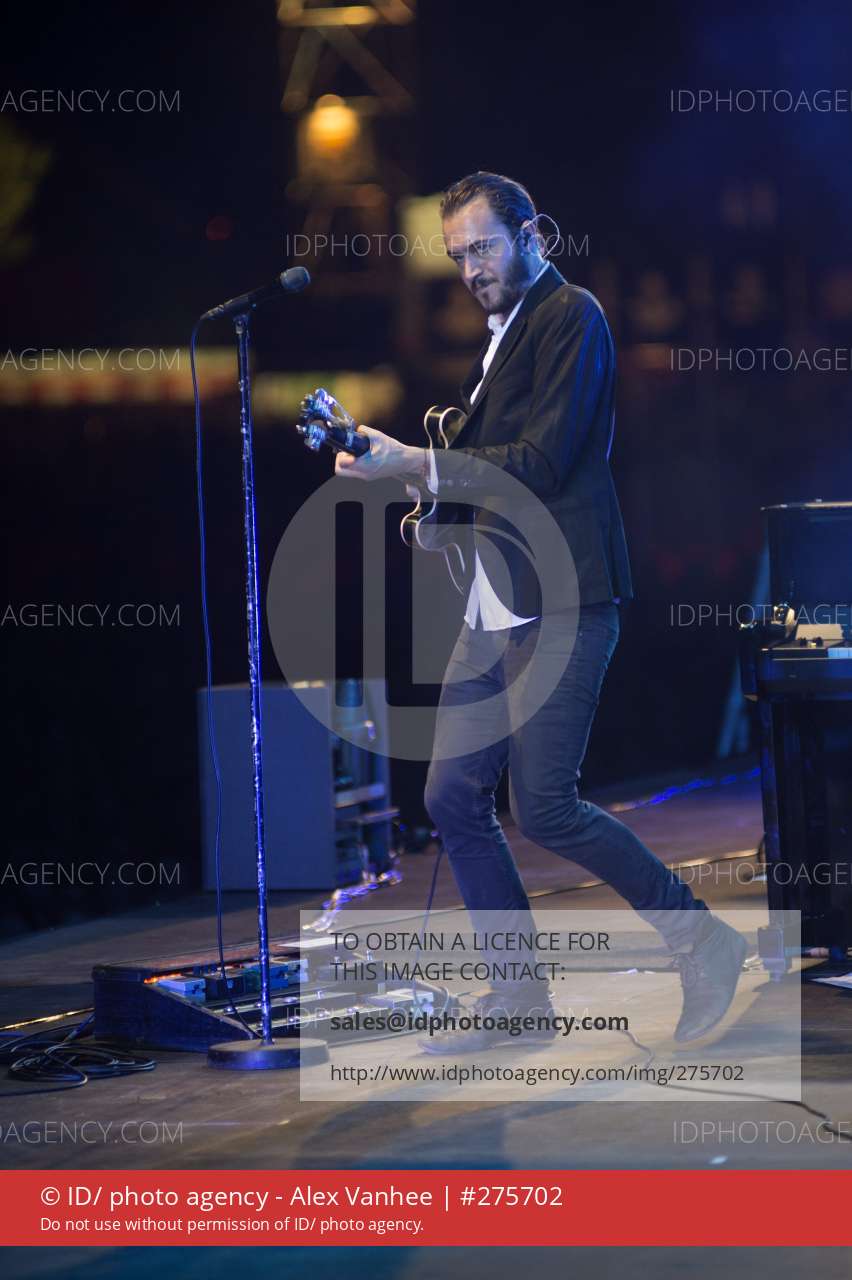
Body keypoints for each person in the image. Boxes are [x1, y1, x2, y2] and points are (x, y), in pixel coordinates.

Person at [334, 170, 747, 1051]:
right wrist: (402, 466)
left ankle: (702, 940)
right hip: (494, 608)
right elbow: (478, 469)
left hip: (565, 601)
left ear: (534, 235)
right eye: (458, 256)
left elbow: (541, 463)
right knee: (451, 795)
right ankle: (519, 1001)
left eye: (484, 247)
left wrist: (415, 463)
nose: (471, 269)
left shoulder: (571, 317)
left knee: (547, 805)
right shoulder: (501, 340)